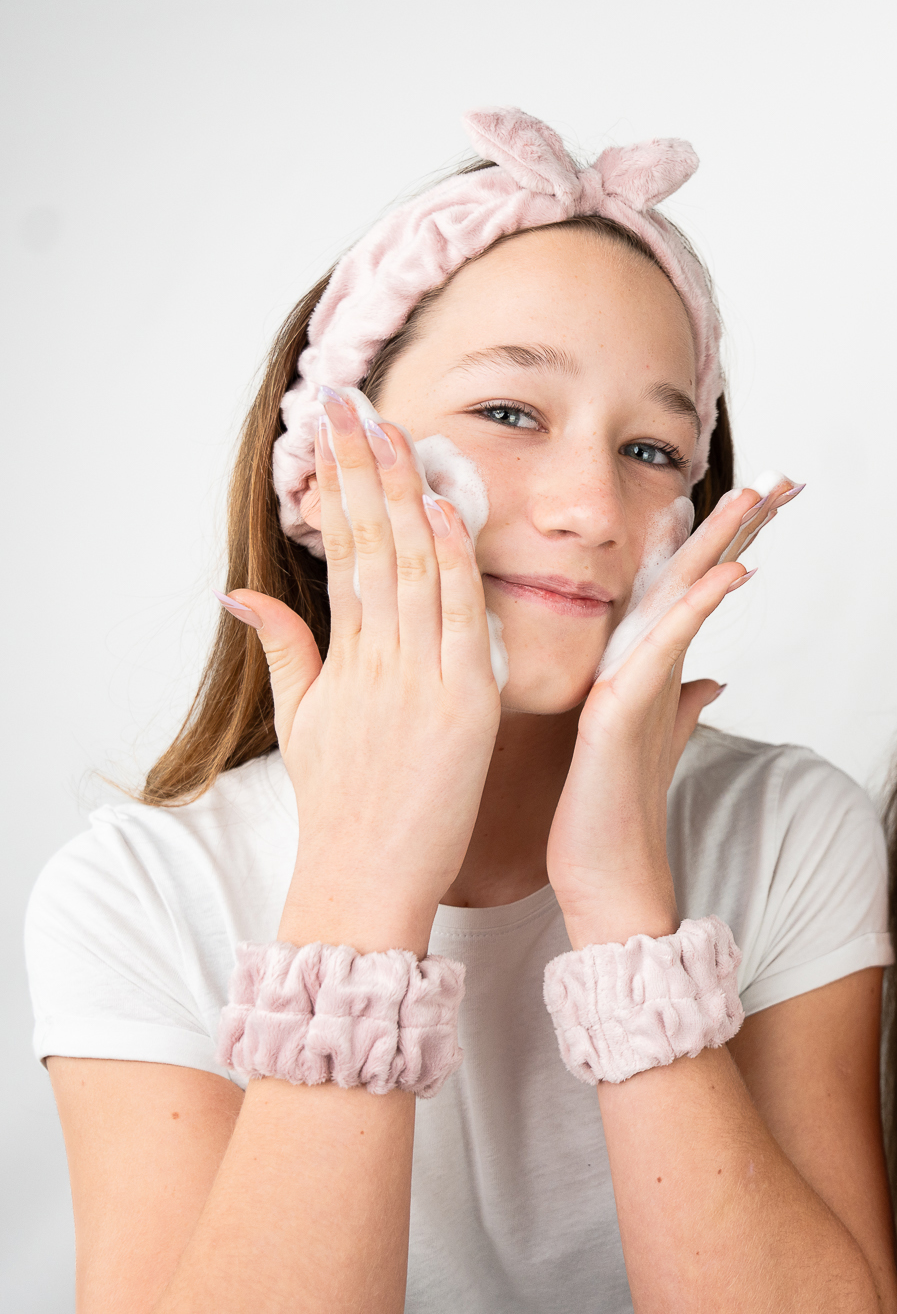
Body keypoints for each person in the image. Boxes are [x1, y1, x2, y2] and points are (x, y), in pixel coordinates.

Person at [25, 108, 896, 1313]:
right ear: (323, 466)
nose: (592, 509)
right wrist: (361, 884)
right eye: (510, 414)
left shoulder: (789, 830)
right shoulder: (137, 891)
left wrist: (621, 906)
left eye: (653, 451)